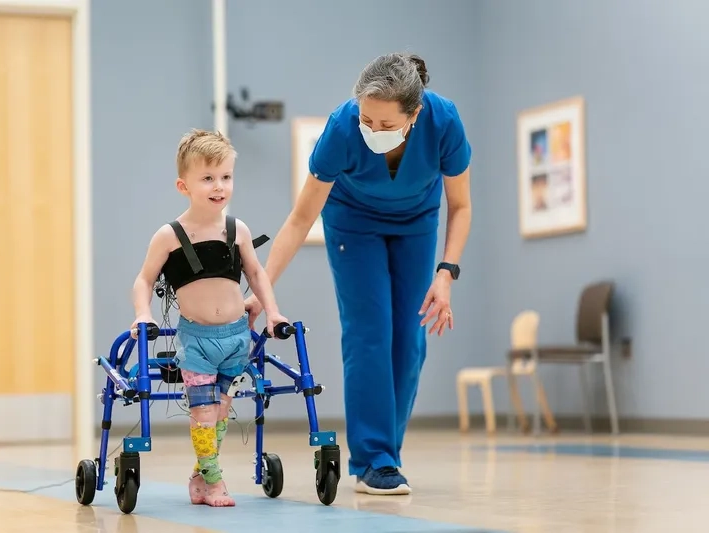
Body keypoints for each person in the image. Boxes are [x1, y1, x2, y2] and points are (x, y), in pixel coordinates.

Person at [244, 53, 472, 495]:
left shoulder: (443, 121)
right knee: (370, 331)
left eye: (387, 126)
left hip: (417, 223)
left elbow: (460, 207)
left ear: (414, 114)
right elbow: (299, 218)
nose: (374, 132)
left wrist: (446, 274)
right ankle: (375, 462)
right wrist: (262, 290)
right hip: (352, 222)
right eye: (368, 120)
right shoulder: (342, 127)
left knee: (410, 338)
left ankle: (386, 452)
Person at [130, 129, 289, 507]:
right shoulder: (169, 235)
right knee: (202, 413)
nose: (219, 186)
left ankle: (200, 479)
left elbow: (256, 274)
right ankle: (215, 483)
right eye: (208, 178)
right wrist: (142, 314)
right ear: (183, 185)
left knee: (219, 414)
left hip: (236, 337)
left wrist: (272, 310)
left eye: (226, 177)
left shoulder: (238, 230)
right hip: (197, 341)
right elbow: (143, 280)